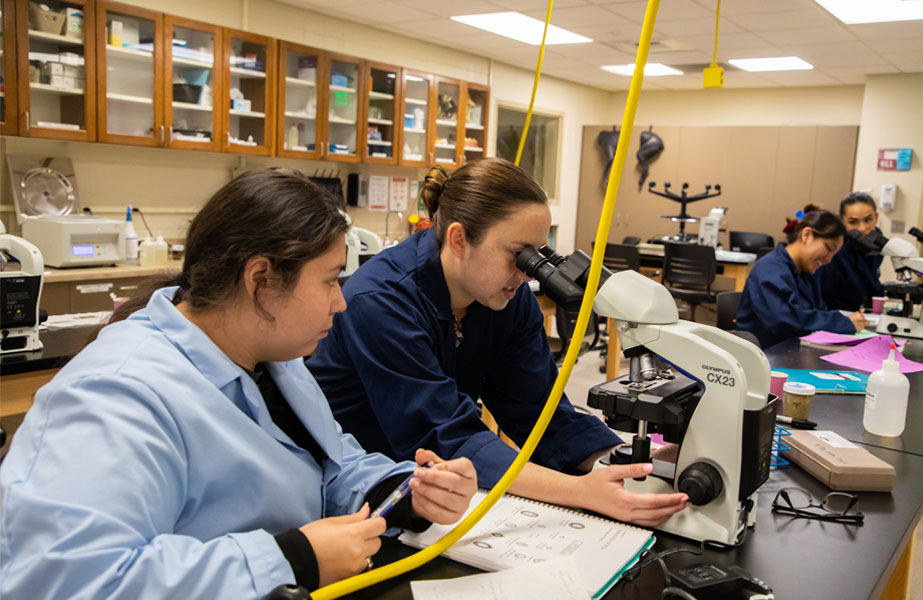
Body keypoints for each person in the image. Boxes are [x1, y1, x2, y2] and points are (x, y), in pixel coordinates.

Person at [0, 169, 477, 599]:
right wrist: (293, 559)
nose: (342, 303)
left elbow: (328, 464)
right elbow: (65, 582)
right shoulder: (116, 395)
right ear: (261, 280)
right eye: (331, 281)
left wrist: (405, 492)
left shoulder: (272, 358)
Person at [308, 157, 689, 527]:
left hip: (440, 491)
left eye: (538, 254)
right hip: (356, 494)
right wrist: (580, 491)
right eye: (518, 255)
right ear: (459, 239)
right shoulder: (380, 300)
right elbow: (446, 436)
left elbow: (538, 411)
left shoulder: (506, 295)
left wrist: (624, 461)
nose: (527, 273)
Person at [736, 209, 868, 348]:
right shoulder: (769, 268)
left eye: (834, 254)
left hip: (792, 351)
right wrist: (843, 323)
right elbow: (784, 320)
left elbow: (816, 313)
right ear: (807, 235)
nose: (829, 259)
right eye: (829, 248)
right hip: (767, 355)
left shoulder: (805, 273)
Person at [814, 192, 884, 311]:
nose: (862, 228)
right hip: (836, 315)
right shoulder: (834, 250)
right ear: (841, 221)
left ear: (876, 217)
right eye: (853, 222)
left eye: (868, 220)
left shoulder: (877, 242)